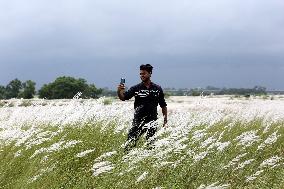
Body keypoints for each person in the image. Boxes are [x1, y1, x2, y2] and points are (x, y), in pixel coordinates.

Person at [117, 64, 168, 151]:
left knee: (151, 146)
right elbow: (123, 98)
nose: (142, 76)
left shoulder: (157, 89)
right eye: (140, 74)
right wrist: (119, 91)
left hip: (152, 121)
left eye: (144, 73)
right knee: (129, 145)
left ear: (150, 73)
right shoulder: (136, 88)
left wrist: (165, 120)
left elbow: (163, 105)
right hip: (138, 121)